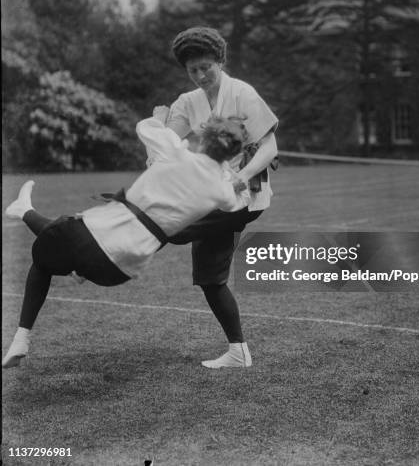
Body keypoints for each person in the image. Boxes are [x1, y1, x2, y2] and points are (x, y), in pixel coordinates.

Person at [2, 114, 250, 369]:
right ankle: (27, 213)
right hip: (119, 269)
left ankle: (22, 335)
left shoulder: (176, 152)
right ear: (232, 154)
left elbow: (144, 126)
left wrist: (161, 116)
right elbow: (237, 201)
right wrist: (230, 174)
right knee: (63, 235)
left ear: (203, 137)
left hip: (96, 235)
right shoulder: (221, 190)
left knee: (45, 257)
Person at [161, 26, 278, 369]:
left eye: (205, 68)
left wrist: (242, 175)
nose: (200, 76)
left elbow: (270, 145)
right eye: (192, 70)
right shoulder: (187, 102)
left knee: (168, 225)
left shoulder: (243, 94)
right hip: (210, 195)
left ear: (220, 61)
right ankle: (238, 351)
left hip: (243, 198)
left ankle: (102, 260)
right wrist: (157, 139)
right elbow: (167, 142)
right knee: (210, 279)